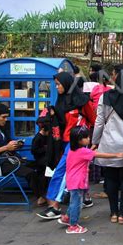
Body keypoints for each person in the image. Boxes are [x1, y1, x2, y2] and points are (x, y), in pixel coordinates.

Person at [37, 72, 96, 220]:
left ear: (67, 84)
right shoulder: (60, 101)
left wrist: (90, 139)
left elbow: (93, 120)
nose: (56, 87)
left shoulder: (83, 101)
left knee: (62, 172)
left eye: (58, 84)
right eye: (55, 84)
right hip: (63, 141)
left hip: (77, 142)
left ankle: (55, 206)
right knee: (79, 170)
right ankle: (86, 197)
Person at [92, 68, 123, 224]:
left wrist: (95, 141)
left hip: (108, 144)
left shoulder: (105, 97)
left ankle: (113, 213)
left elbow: (99, 122)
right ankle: (122, 214)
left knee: (111, 178)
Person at [57, 126, 123, 234]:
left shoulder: (72, 149)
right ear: (79, 140)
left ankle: (67, 217)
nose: (89, 139)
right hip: (78, 182)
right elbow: (99, 155)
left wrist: (92, 148)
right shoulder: (83, 152)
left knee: (74, 202)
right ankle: (73, 226)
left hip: (72, 181)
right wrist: (117, 155)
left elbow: (87, 153)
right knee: (77, 204)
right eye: (86, 137)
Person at [0, 104, 46, 204]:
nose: (6, 119)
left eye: (6, 117)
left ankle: (45, 193)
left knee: (39, 165)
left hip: (8, 159)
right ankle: (41, 196)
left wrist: (17, 145)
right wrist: (6, 148)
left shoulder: (0, 128)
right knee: (30, 173)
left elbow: (7, 144)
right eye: (3, 117)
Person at [31, 116, 52, 205]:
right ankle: (42, 197)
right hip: (41, 162)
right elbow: (34, 150)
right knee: (43, 179)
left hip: (46, 160)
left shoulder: (47, 136)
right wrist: (45, 148)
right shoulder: (37, 138)